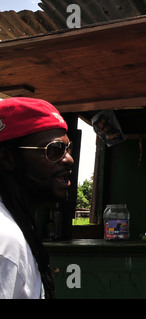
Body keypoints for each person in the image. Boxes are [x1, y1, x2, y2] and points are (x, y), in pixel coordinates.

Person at [0, 97, 74, 299]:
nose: (69, 159)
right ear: (7, 158)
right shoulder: (4, 240)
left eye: (68, 149)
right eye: (54, 150)